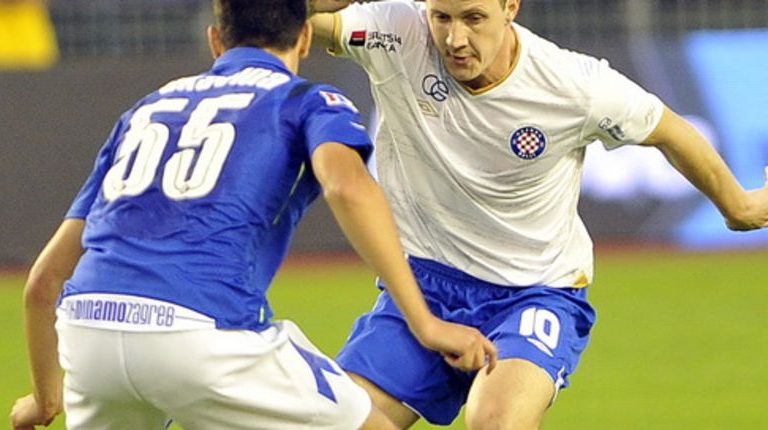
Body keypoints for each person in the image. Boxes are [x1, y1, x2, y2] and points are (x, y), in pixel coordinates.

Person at [8, 0, 498, 429]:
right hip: (203, 335)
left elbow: (44, 281)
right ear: (305, 37)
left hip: (88, 336)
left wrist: (48, 399)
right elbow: (348, 186)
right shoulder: (306, 101)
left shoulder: (146, 110)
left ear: (215, 40)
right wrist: (426, 324)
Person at [308, 0, 768, 429]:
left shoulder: (573, 84)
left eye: (473, 18)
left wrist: (739, 205)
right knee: (341, 422)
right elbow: (284, 17)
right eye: (442, 17)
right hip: (424, 286)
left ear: (510, 6)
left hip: (533, 293)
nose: (454, 39)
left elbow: (669, 131)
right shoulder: (396, 32)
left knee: (495, 420)